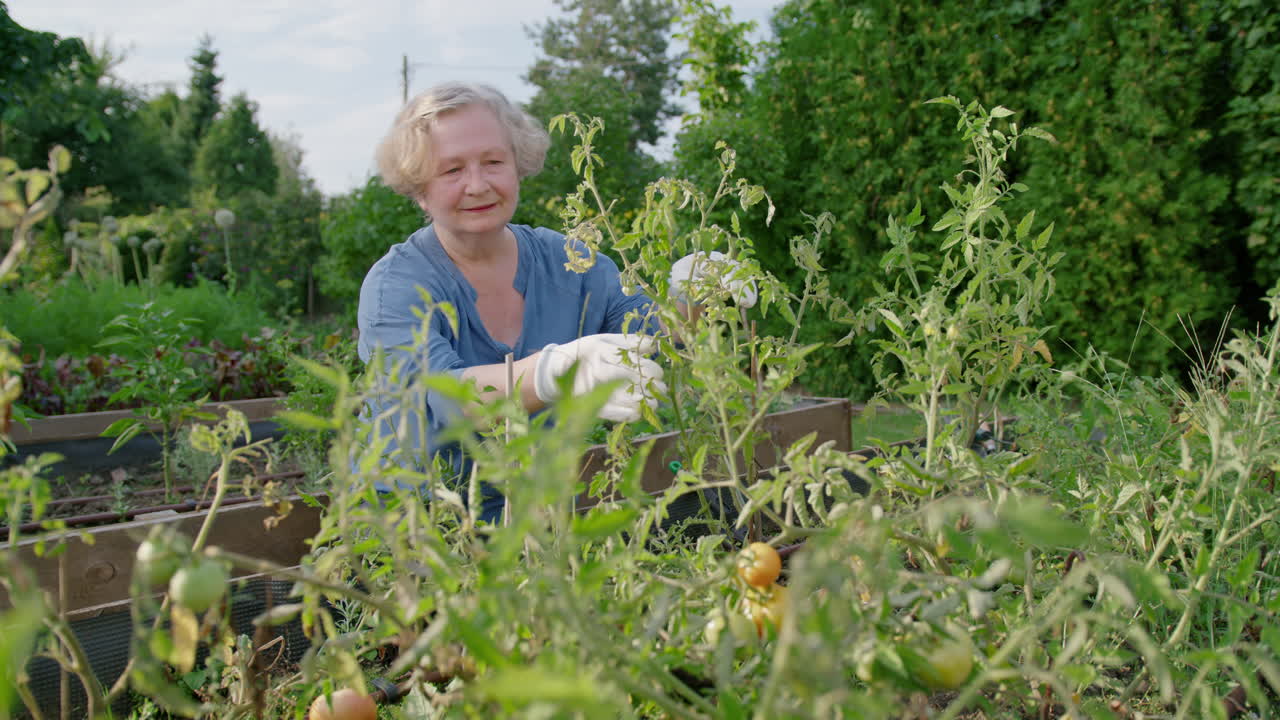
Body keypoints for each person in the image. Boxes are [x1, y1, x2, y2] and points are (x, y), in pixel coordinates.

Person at [356, 81, 753, 522]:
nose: (477, 185)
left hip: (533, 519)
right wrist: (549, 373)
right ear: (419, 189)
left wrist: (695, 296)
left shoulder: (571, 263)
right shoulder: (397, 285)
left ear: (518, 165)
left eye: (493, 162)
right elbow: (440, 399)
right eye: (451, 170)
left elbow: (651, 335)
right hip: (412, 531)